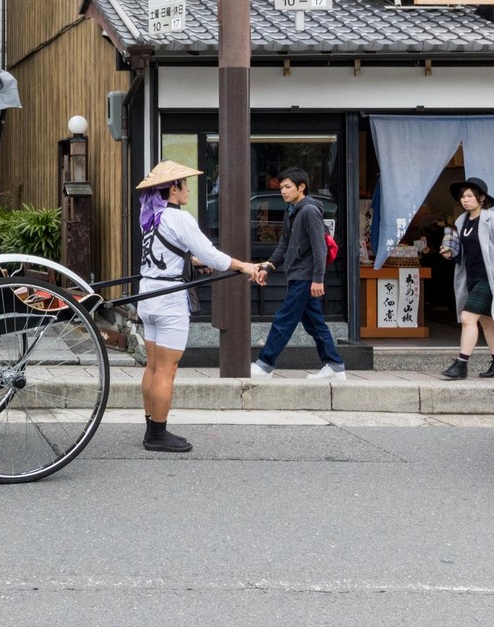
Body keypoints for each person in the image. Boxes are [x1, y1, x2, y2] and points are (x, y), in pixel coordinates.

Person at [136, 161, 258, 452]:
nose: (188, 189)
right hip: (169, 300)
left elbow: (168, 253)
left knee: (153, 366)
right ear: (174, 189)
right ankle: (157, 435)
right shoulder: (180, 218)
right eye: (185, 184)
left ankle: (151, 426)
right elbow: (212, 255)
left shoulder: (151, 217)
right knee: (167, 369)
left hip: (148, 294)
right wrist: (244, 266)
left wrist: (192, 262)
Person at [251, 167, 347, 381]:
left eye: (288, 187)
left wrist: (317, 279)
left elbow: (320, 247)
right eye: (282, 187)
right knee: (315, 324)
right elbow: (284, 245)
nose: (283, 191)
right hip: (297, 275)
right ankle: (335, 366)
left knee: (283, 320)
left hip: (305, 277)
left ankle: (265, 364)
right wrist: (269, 267)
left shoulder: (309, 211)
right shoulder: (292, 210)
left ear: (301, 187)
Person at [438, 177, 494, 379]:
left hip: (490, 278)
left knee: (468, 318)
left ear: (481, 198)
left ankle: (461, 364)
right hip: (472, 277)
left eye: (469, 196)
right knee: (486, 321)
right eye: (462, 196)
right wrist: (451, 253)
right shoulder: (462, 221)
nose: (465, 200)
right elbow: (464, 253)